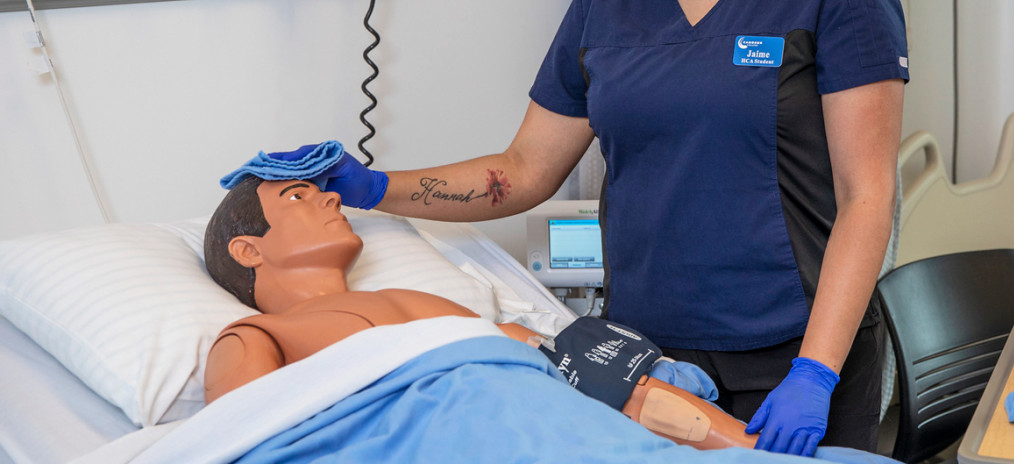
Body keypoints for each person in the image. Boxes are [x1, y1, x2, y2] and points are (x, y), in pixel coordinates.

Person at [268, 0, 907, 458]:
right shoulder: (605, 6)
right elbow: (523, 172)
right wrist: (371, 186)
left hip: (794, 348)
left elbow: (866, 195)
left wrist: (815, 371)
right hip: (648, 359)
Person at [203, 174, 758, 451]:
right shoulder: (254, 334)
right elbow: (252, 440)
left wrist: (753, 447)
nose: (328, 198)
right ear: (248, 250)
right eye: (297, 198)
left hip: (562, 421)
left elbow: (603, 384)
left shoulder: (434, 309)